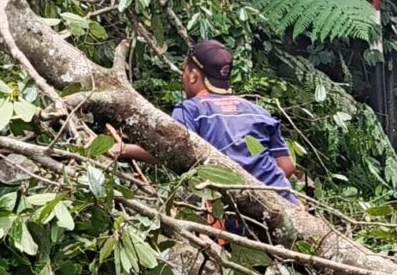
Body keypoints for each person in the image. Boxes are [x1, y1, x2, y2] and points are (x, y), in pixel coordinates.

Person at [115, 40, 302, 200]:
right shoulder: (259, 111)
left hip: (236, 209)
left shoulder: (191, 110)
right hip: (283, 201)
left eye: (184, 72)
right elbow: (287, 167)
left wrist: (123, 149)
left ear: (193, 76)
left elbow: (168, 151)